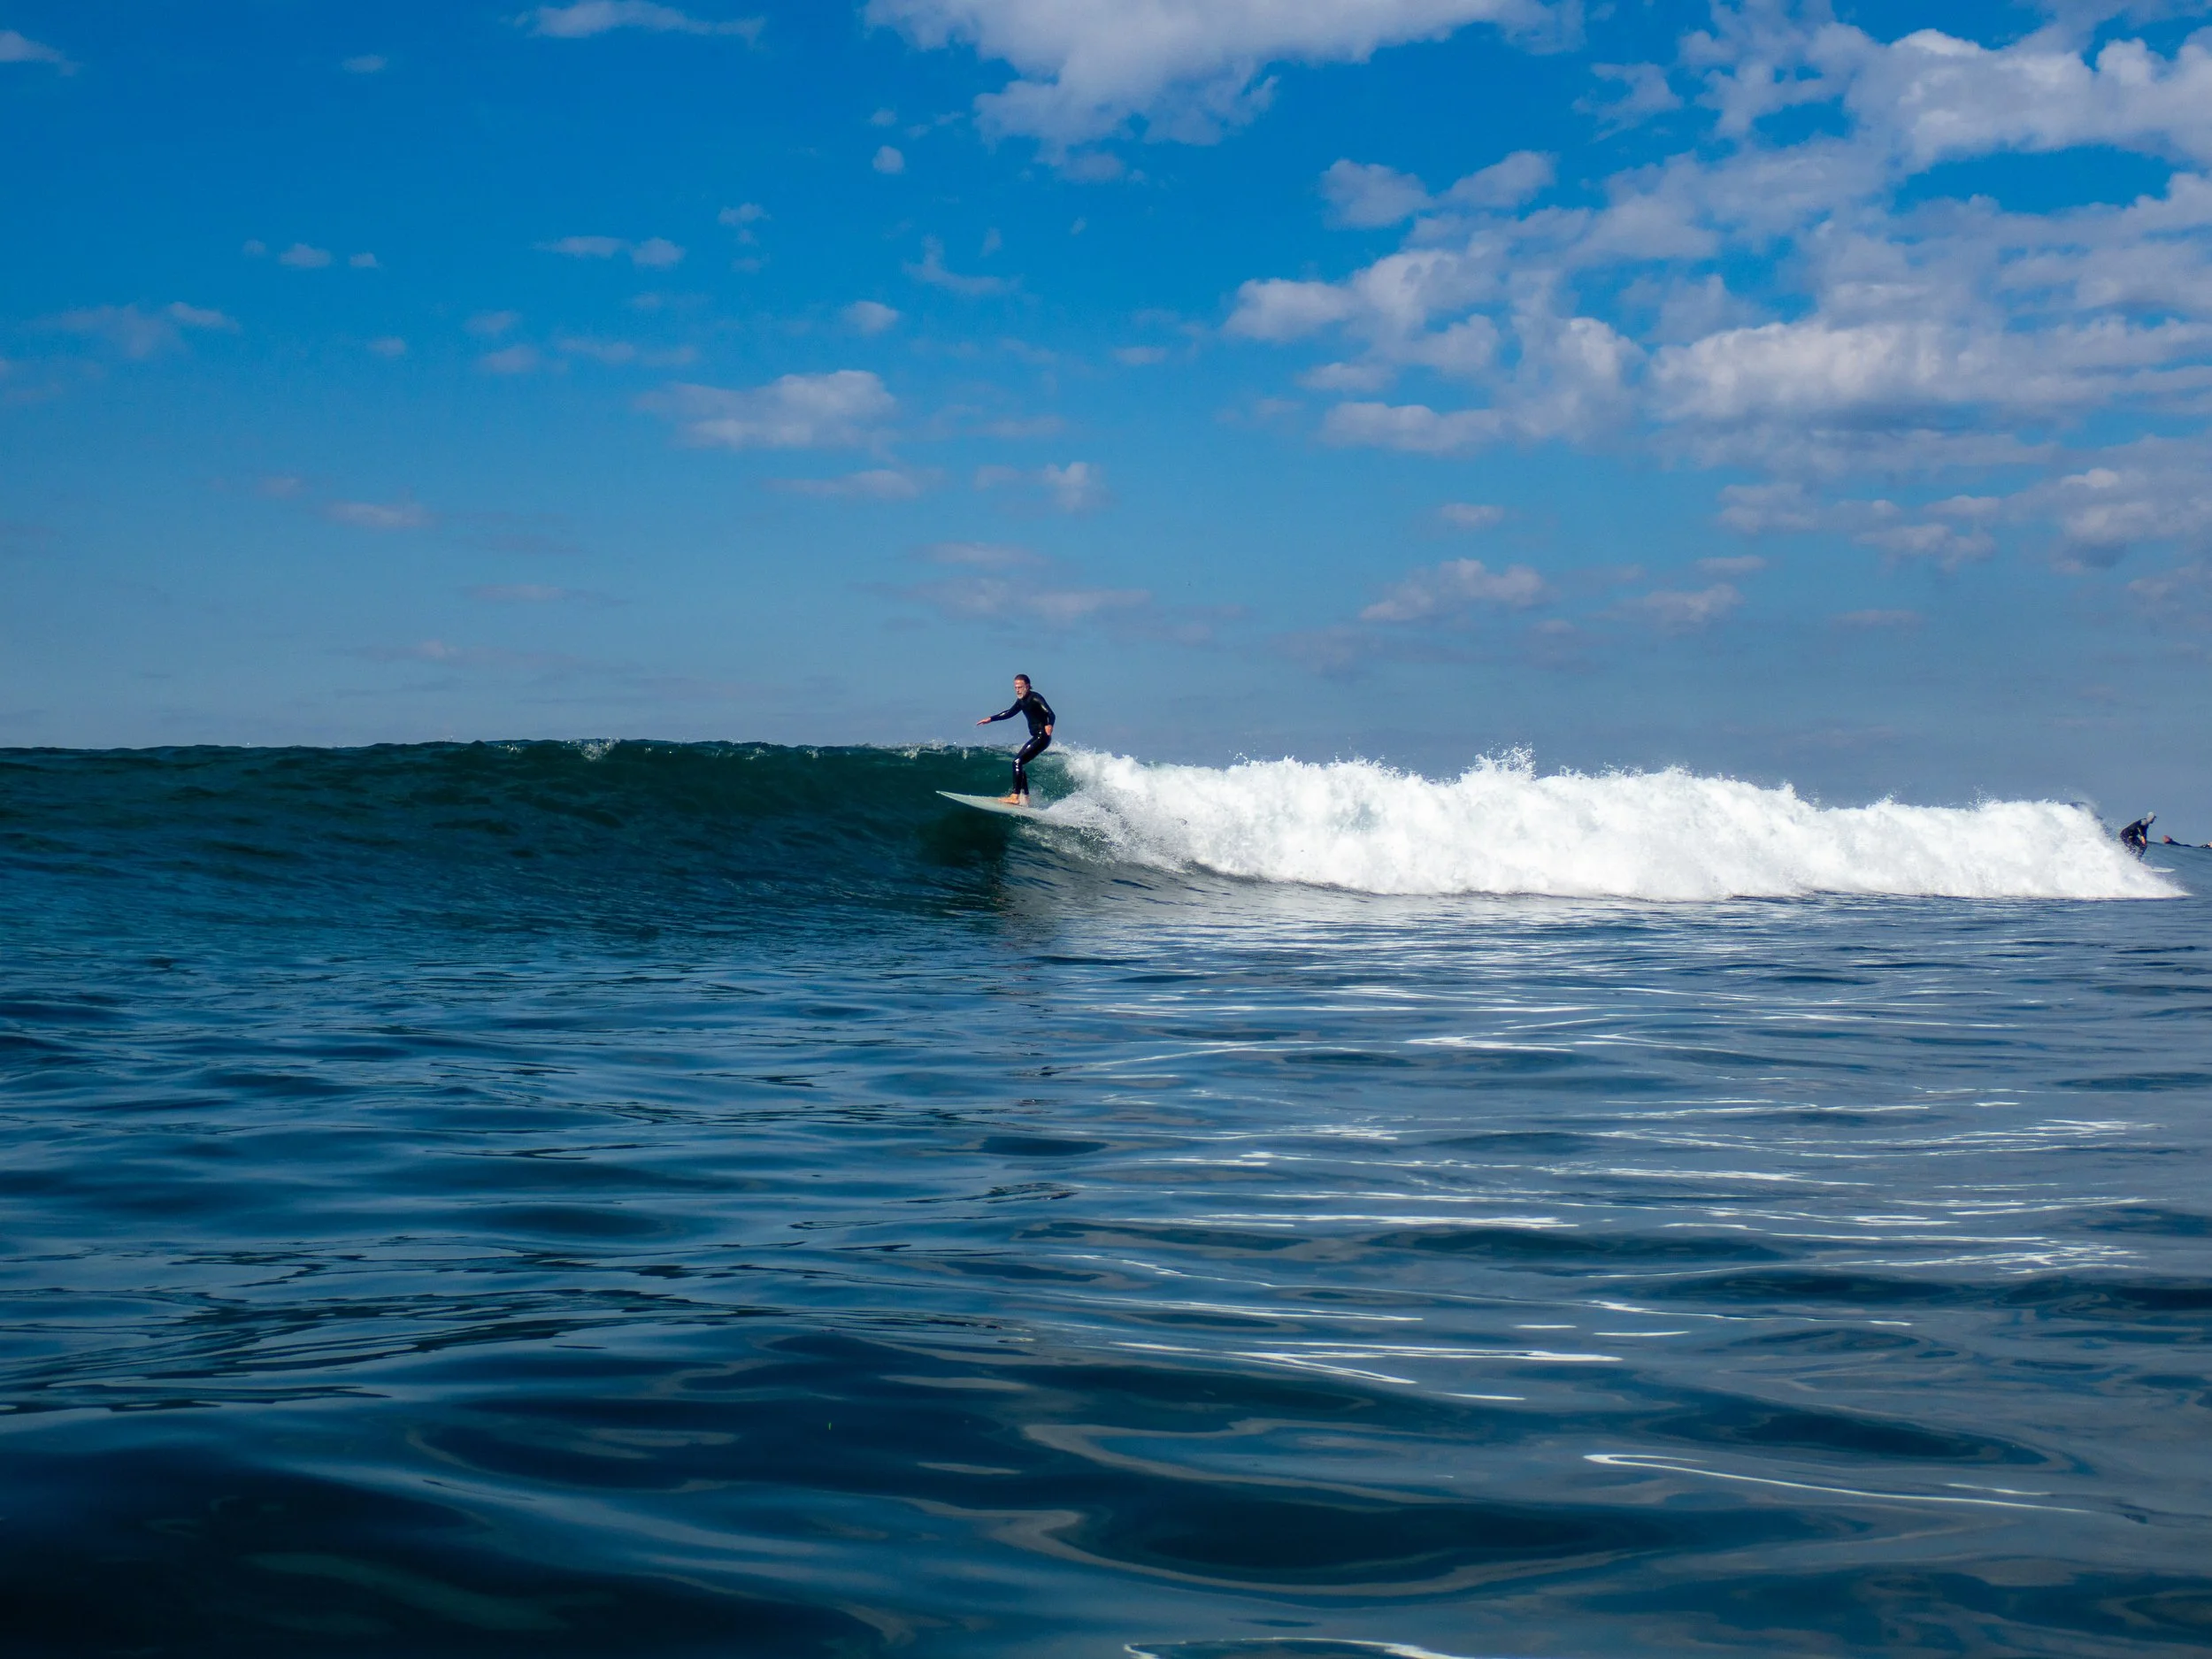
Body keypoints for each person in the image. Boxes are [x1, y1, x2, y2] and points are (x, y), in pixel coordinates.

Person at [975, 674, 1054, 804]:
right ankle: (1026, 798)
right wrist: (991, 718)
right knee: (1020, 763)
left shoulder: (1035, 698)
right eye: (1015, 687)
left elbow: (1051, 713)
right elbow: (1010, 712)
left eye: (1020, 687)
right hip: (1037, 737)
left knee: (1016, 762)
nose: (1017, 690)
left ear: (1027, 686)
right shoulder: (1021, 701)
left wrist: (1050, 725)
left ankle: (1015, 797)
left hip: (1042, 737)